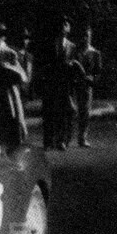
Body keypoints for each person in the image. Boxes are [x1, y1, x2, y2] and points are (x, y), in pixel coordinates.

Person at [39, 15, 81, 150]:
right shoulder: (49, 44)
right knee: (49, 112)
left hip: (66, 84)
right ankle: (48, 141)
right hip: (51, 83)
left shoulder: (72, 46)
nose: (63, 27)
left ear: (69, 29)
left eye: (66, 24)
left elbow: (75, 65)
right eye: (61, 24)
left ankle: (62, 141)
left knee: (64, 113)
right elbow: (43, 64)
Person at [75, 26, 102, 147]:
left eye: (87, 35)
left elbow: (98, 72)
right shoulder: (76, 51)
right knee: (73, 111)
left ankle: (82, 138)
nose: (85, 38)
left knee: (85, 112)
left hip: (87, 86)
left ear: (91, 36)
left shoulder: (95, 53)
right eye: (83, 36)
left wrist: (92, 80)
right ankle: (66, 138)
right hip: (75, 85)